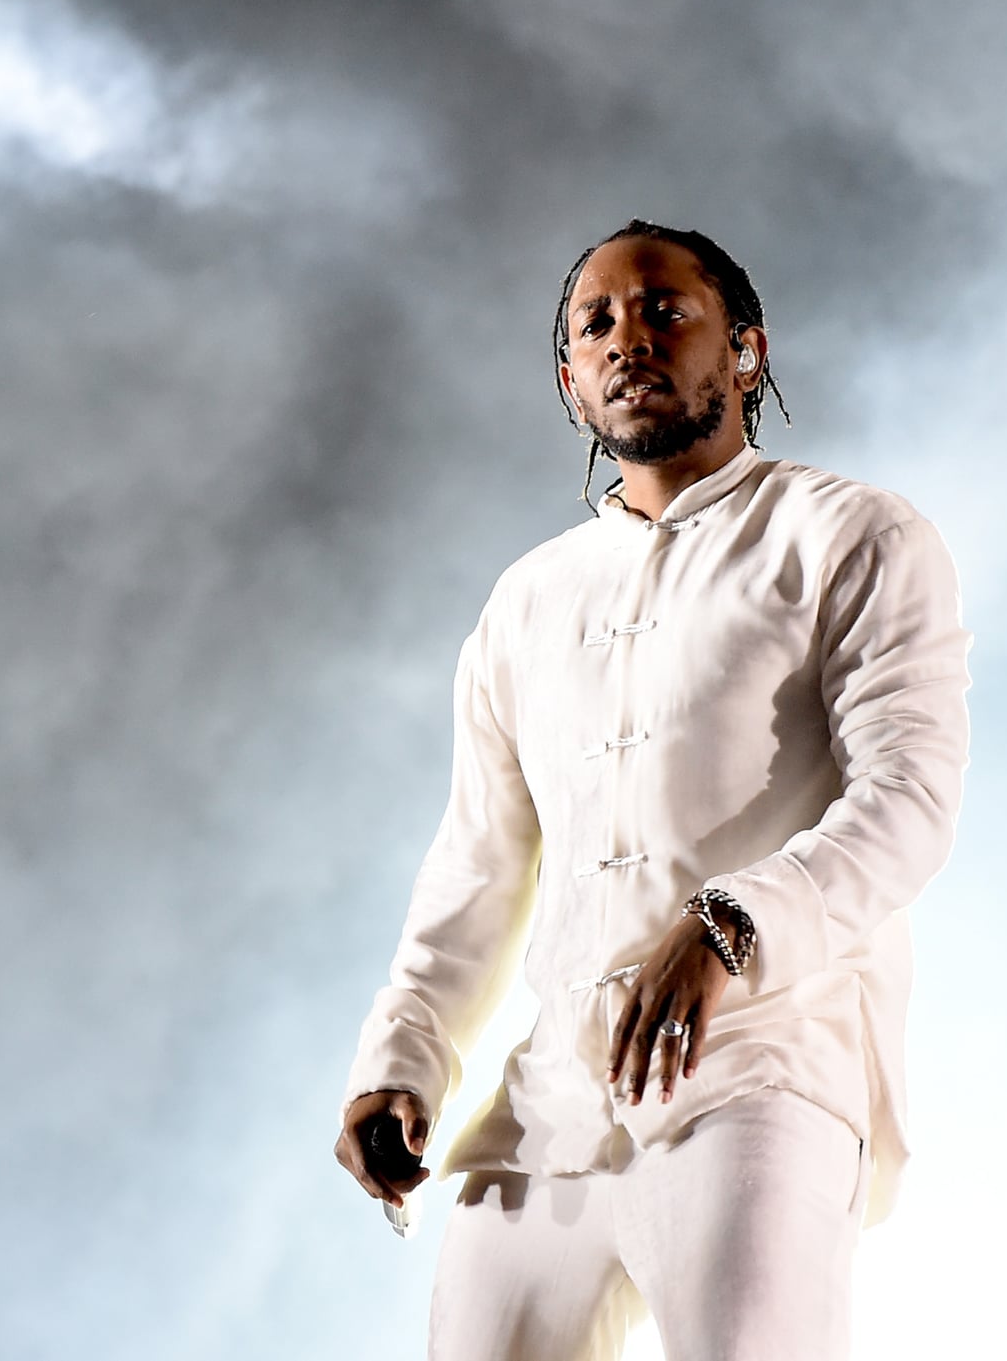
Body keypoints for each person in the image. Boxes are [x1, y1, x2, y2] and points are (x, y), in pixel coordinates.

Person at [332, 220, 972, 1360]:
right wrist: (405, 1055)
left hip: (760, 1074)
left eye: (665, 309)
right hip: (543, 1116)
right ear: (569, 382)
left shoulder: (851, 535)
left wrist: (728, 926)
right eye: (596, 323)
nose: (630, 337)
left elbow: (908, 796)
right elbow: (479, 859)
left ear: (745, 350)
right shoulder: (525, 600)